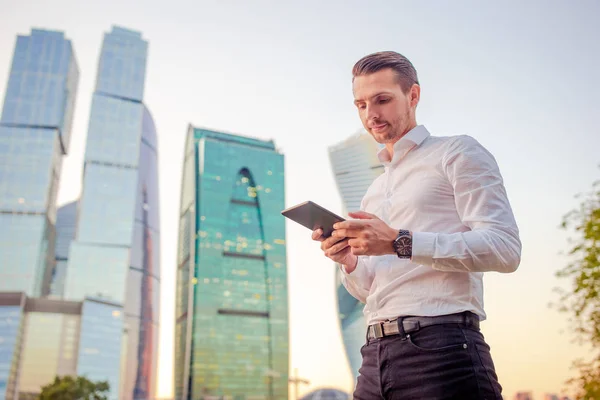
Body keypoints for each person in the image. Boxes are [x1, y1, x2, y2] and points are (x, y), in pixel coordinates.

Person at [312, 51, 521, 400]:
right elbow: (373, 288)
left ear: (413, 96)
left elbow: (505, 249)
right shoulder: (375, 191)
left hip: (441, 352)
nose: (371, 115)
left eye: (382, 100)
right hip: (374, 356)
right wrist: (348, 260)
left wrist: (399, 241)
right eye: (361, 104)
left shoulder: (457, 152)